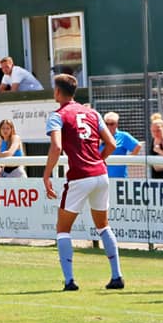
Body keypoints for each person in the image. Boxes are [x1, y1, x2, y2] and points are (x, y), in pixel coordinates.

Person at [43, 74, 124, 291]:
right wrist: (97, 160)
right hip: (101, 174)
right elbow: (112, 144)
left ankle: (69, 281)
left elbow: (57, 147)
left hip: (80, 176)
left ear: (58, 92)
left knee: (62, 228)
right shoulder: (92, 112)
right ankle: (117, 276)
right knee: (103, 226)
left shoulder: (57, 115)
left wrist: (47, 174)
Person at [100, 112, 141, 178]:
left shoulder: (123, 136)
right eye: (106, 124)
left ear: (116, 124)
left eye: (111, 124)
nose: (108, 126)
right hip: (103, 177)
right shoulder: (100, 136)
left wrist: (128, 161)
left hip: (120, 178)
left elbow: (138, 146)